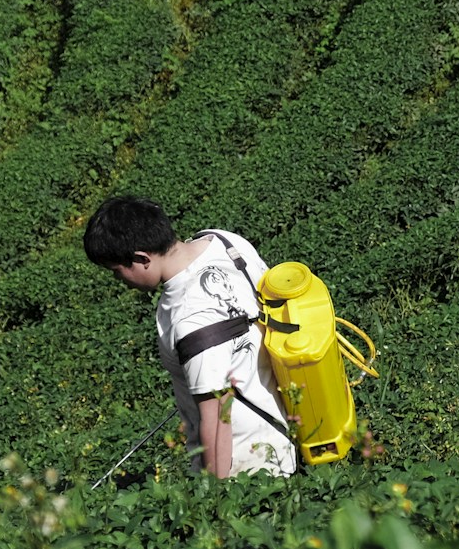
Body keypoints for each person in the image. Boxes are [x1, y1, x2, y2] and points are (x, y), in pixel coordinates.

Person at [83, 196, 298, 478]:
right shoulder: (223, 242)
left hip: (254, 470)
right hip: (291, 425)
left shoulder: (190, 317)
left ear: (141, 259)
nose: (118, 281)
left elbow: (218, 418)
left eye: (117, 271)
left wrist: (214, 502)